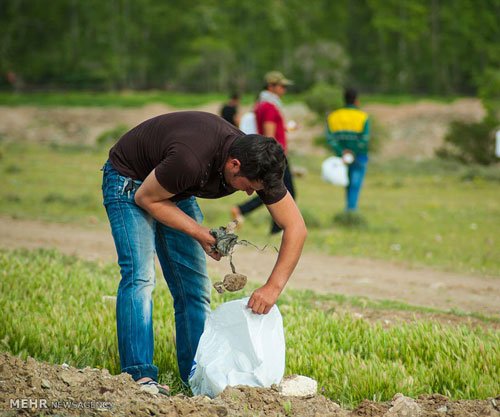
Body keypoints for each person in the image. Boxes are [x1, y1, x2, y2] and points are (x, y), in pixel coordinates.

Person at [101, 111, 306, 394]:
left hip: (174, 188)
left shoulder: (259, 162)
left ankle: (197, 376)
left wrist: (273, 287)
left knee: (195, 289)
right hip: (130, 182)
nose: (249, 195)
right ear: (234, 165)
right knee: (140, 277)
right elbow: (145, 198)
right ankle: (138, 377)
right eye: (248, 187)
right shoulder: (191, 160)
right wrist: (200, 234)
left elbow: (296, 228)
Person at [231, 71, 296, 234]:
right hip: (277, 155)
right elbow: (269, 135)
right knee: (283, 191)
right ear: (271, 86)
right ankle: (279, 227)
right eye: (282, 86)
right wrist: (274, 157)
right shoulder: (269, 107)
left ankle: (246, 212)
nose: (284, 90)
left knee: (271, 189)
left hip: (275, 153)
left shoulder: (262, 105)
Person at [326, 88, 370, 212]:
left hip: (341, 156)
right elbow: (365, 139)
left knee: (348, 182)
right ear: (356, 101)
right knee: (355, 184)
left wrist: (342, 152)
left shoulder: (334, 116)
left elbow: (330, 138)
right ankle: (351, 209)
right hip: (359, 155)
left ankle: (349, 208)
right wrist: (353, 152)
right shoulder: (363, 117)